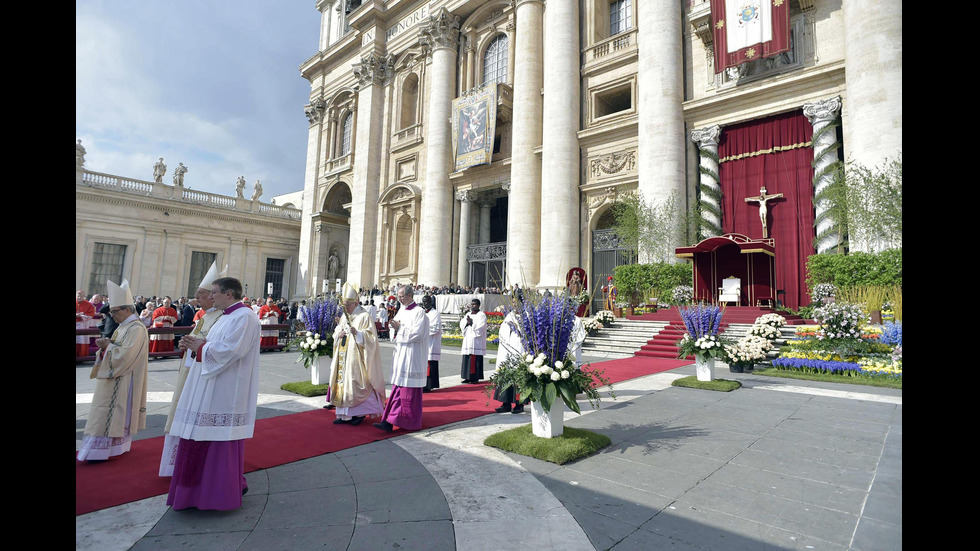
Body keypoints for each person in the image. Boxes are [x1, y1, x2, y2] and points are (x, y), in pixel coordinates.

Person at [167, 276, 261, 511]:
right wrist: (192, 344)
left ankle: (214, 495)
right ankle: (193, 494)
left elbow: (233, 350)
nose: (211, 296)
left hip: (226, 390)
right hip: (208, 385)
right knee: (198, 436)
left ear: (229, 294)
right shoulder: (223, 317)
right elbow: (211, 344)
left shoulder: (245, 316)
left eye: (215, 292)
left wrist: (201, 347)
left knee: (215, 439)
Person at [159, 262, 226, 476]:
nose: (197, 298)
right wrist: (185, 344)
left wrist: (196, 346)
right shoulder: (204, 316)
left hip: (202, 373)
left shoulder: (223, 317)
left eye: (201, 294)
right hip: (189, 371)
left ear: (213, 296)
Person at [77, 280, 149, 461]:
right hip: (114, 376)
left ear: (127, 310)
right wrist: (104, 348)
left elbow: (126, 356)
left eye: (115, 312)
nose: (112, 315)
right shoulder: (124, 326)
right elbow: (115, 349)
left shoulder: (137, 328)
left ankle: (104, 451)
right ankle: (103, 450)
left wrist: (108, 347)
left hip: (124, 378)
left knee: (111, 414)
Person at [327, 282, 387, 425]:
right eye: (344, 305)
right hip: (343, 357)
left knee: (356, 383)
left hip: (357, 358)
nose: (345, 308)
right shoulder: (344, 316)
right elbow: (337, 331)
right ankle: (344, 415)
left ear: (355, 303)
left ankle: (359, 413)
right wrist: (338, 334)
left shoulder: (364, 316)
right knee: (343, 383)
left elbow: (372, 337)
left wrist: (358, 334)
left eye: (347, 305)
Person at [374, 284, 428, 433]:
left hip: (412, 357)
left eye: (401, 296)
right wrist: (394, 329)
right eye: (398, 296)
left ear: (410, 295)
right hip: (401, 355)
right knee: (398, 387)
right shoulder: (401, 311)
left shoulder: (419, 312)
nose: (399, 298)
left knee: (407, 390)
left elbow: (418, 334)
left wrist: (400, 329)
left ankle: (399, 421)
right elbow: (394, 329)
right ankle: (389, 420)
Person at [494, 292, 527, 413]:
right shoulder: (510, 315)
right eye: (513, 302)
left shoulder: (527, 316)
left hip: (520, 349)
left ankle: (519, 404)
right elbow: (503, 330)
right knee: (506, 375)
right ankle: (506, 402)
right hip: (507, 350)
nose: (514, 304)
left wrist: (518, 330)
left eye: (516, 302)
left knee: (519, 377)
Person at [459, 298, 487, 384]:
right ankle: (467, 377)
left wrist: (471, 323)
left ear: (478, 305)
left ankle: (475, 377)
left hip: (476, 341)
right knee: (467, 358)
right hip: (468, 339)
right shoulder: (468, 314)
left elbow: (481, 327)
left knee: (475, 358)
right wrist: (467, 323)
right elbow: (462, 324)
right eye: (471, 304)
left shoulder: (481, 315)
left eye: (474, 304)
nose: (472, 306)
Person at [422, 295, 442, 392]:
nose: (424, 304)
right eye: (423, 302)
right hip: (423, 343)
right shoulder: (421, 312)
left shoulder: (435, 314)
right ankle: (423, 384)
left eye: (426, 301)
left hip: (431, 343)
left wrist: (423, 329)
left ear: (431, 302)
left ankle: (429, 385)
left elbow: (436, 328)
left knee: (430, 364)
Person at [76, 291, 96, 358]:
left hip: (82, 324)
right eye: (78, 296)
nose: (79, 297)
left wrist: (83, 315)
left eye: (81, 296)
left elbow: (91, 314)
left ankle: (81, 356)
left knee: (81, 340)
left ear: (84, 297)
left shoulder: (88, 304)